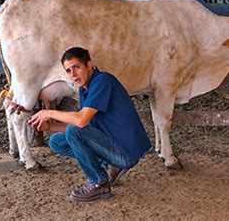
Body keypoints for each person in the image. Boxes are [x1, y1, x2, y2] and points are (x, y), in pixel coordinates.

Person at [28, 47, 151, 202]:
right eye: (68, 71)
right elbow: (82, 128)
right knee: (56, 141)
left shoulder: (103, 81)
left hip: (126, 151)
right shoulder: (85, 89)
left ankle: (99, 183)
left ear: (89, 65)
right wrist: (50, 127)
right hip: (111, 144)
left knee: (74, 131)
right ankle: (108, 165)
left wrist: (49, 113)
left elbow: (80, 121)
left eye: (76, 67)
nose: (72, 75)